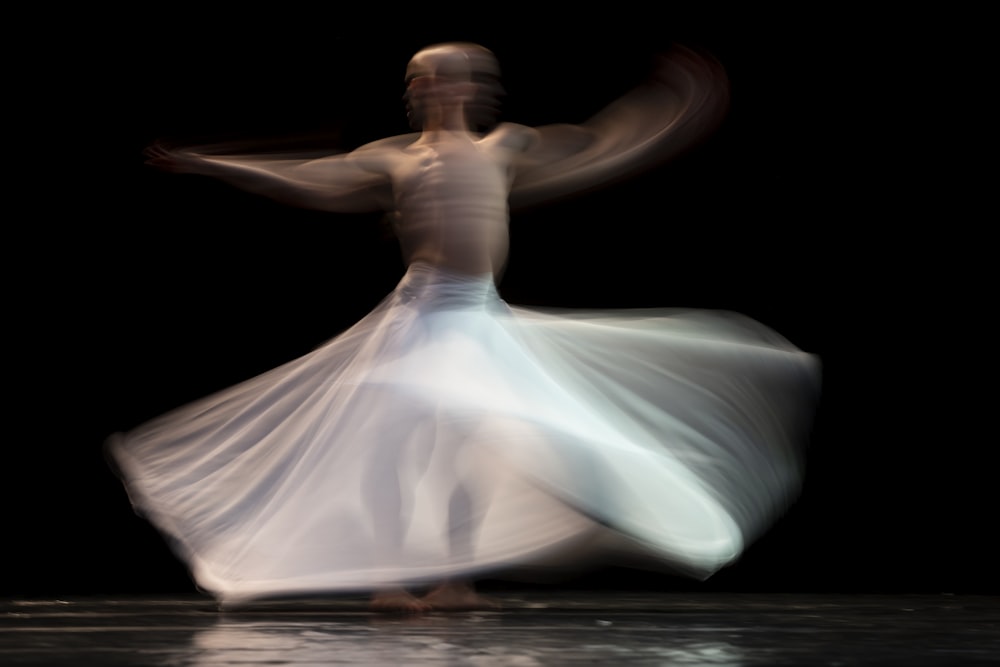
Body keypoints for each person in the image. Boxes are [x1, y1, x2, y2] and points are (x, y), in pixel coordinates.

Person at [108, 42, 821, 612]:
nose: (441, 88)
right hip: (420, 312)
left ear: (479, 89)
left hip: (478, 314)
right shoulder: (394, 155)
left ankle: (453, 577)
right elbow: (312, 177)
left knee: (464, 448)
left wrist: (670, 110)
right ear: (413, 90)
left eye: (456, 77)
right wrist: (214, 162)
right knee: (394, 441)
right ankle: (391, 573)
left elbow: (600, 143)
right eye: (427, 78)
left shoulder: (503, 145)